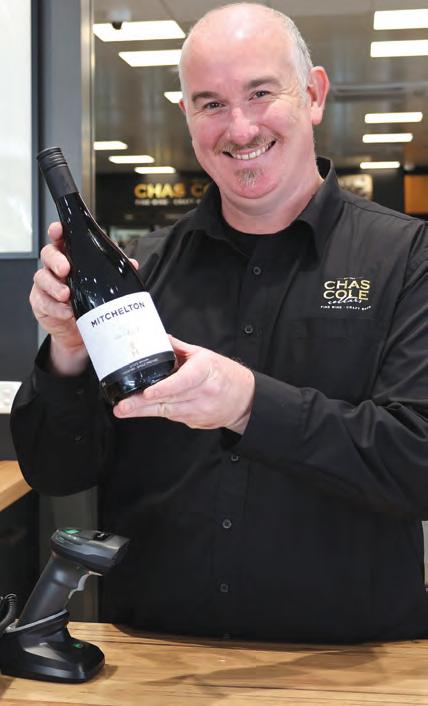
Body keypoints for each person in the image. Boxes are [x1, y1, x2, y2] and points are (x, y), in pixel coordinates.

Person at [11, 3, 428, 643]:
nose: (240, 127)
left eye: (261, 93)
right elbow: (57, 472)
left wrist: (249, 404)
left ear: (314, 94)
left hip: (352, 659)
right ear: (187, 115)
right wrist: (68, 349)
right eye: (211, 103)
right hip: (157, 660)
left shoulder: (407, 258)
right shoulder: (140, 272)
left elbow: (417, 462)